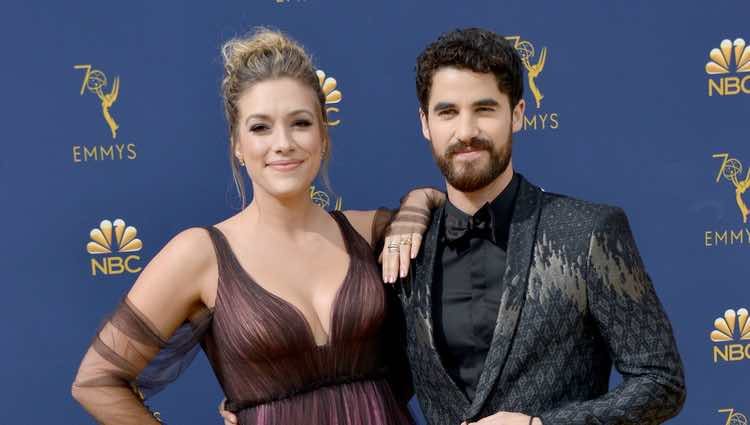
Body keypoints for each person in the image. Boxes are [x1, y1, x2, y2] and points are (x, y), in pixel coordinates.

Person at [223, 27, 687, 425]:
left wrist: (542, 424)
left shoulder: (588, 232)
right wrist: (272, 401)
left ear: (518, 114)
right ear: (425, 123)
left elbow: (661, 382)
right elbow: (374, 382)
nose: (466, 130)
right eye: (447, 112)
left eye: (484, 109)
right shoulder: (405, 249)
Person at [71, 27, 443, 425]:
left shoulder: (370, 234)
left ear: (324, 135)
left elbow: (460, 217)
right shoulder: (202, 255)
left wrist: (420, 202)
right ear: (237, 143)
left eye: (300, 123)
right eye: (260, 127)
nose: (282, 143)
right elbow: (96, 382)